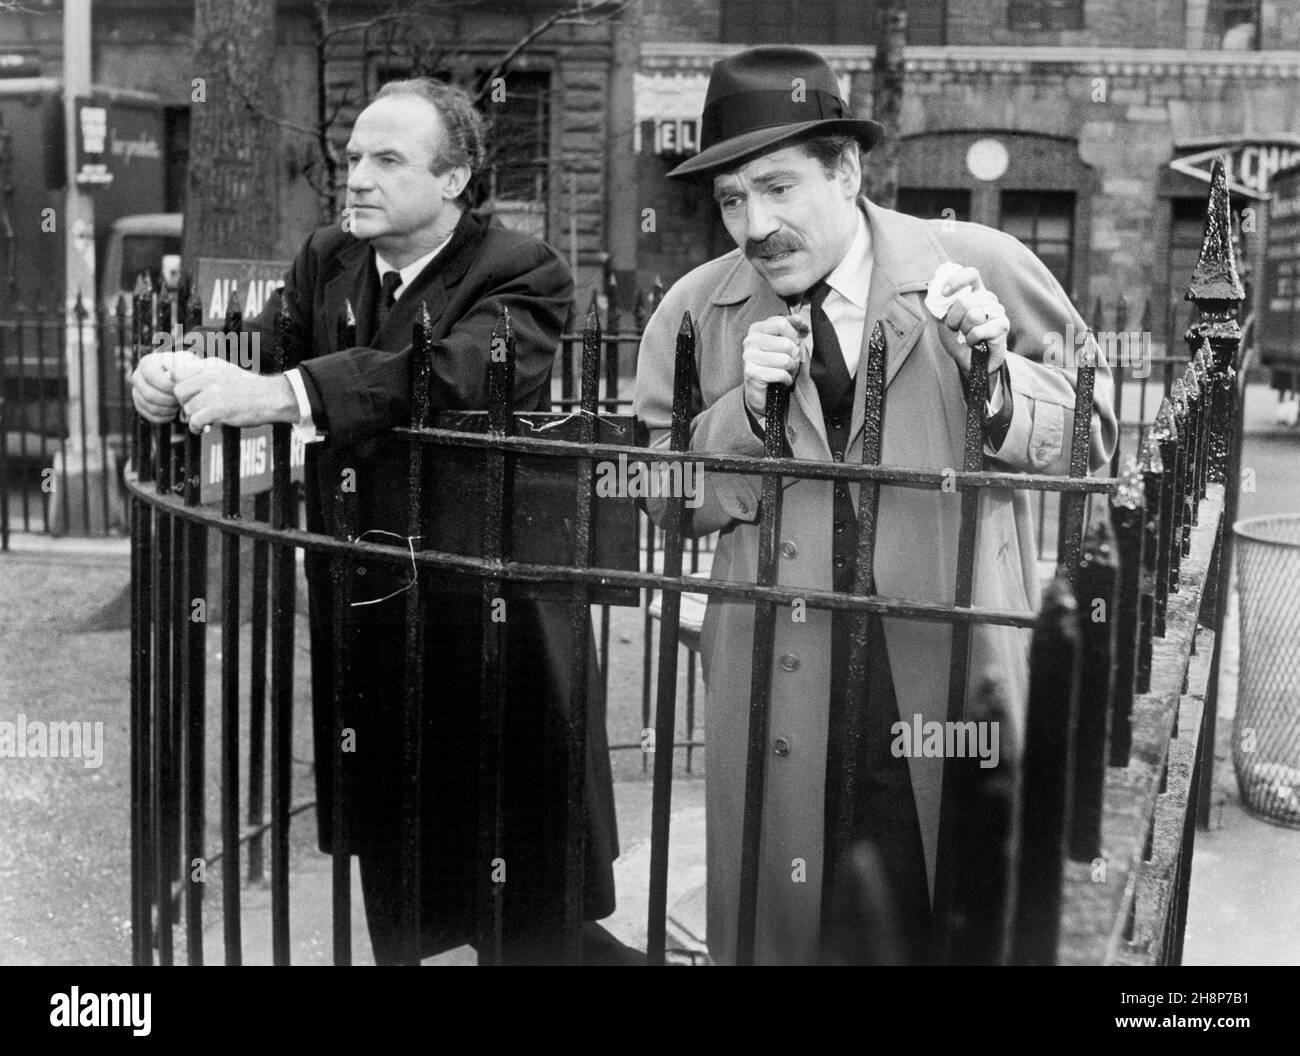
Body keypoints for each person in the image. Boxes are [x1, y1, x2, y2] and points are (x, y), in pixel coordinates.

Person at [131, 78, 635, 964]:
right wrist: (177, 371)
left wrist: (284, 392)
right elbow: (260, 346)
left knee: (522, 893)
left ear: (455, 179)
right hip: (368, 614)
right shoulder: (329, 257)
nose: (355, 177)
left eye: (386, 160)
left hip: (492, 621)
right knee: (401, 877)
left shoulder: (523, 269)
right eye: (353, 156)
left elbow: (449, 373)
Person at [633, 46, 1117, 965]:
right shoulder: (696, 313)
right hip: (784, 682)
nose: (754, 225)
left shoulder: (982, 265)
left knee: (954, 913)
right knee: (799, 926)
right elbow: (656, 494)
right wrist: (740, 416)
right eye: (731, 199)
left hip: (947, 669)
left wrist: (998, 380)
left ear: (847, 170)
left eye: (777, 187)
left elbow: (1098, 444)